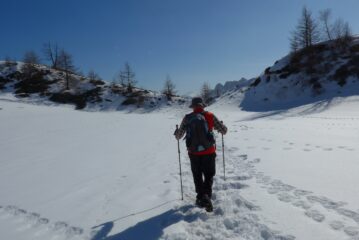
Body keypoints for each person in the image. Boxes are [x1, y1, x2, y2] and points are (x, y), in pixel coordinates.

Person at [174, 97, 227, 211]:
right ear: (202, 105)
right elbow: (224, 131)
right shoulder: (210, 116)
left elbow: (179, 136)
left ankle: (200, 197)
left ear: (193, 106)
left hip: (194, 153)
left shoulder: (187, 118)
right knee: (208, 175)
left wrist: (176, 132)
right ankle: (206, 196)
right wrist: (222, 126)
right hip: (209, 151)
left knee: (197, 175)